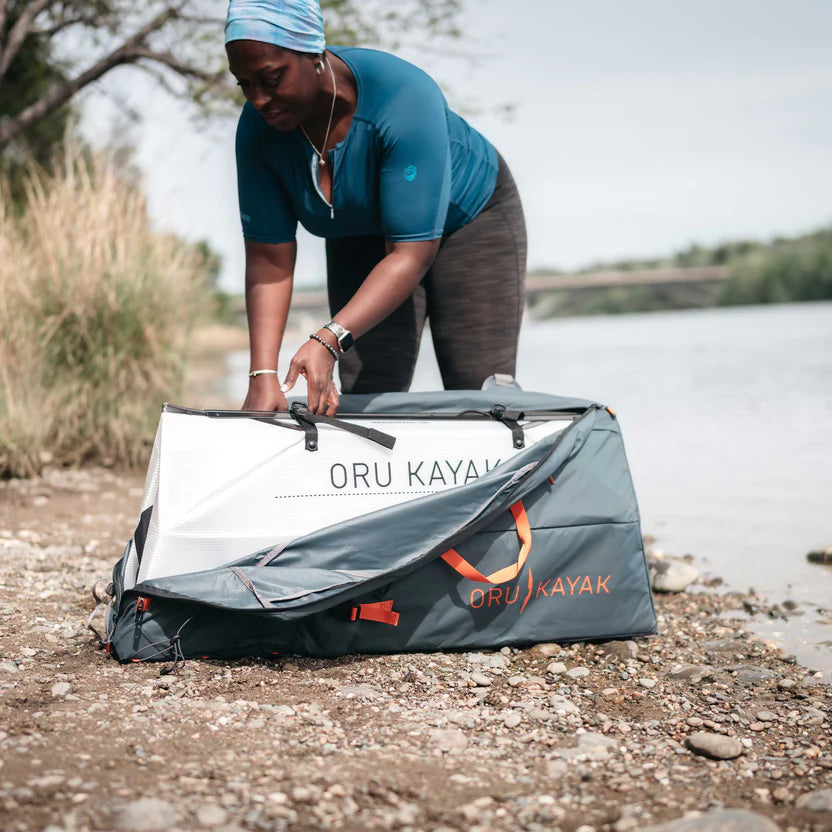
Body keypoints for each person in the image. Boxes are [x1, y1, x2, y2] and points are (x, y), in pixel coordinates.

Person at [226, 0, 526, 415]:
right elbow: (268, 259)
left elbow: (410, 254)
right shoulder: (258, 132)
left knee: (481, 400)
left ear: (314, 54)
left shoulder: (403, 96)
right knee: (365, 400)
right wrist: (262, 375)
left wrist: (328, 337)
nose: (259, 99)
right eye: (244, 84)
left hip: (469, 222)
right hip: (358, 234)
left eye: (272, 78)